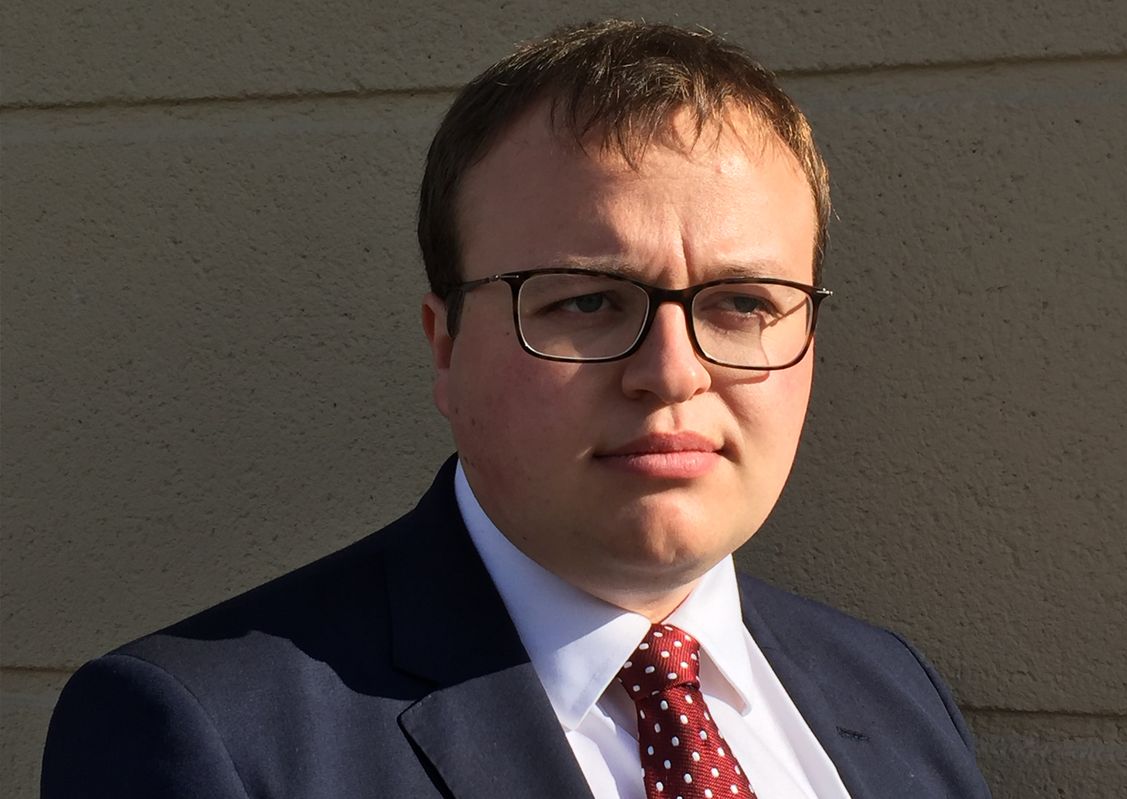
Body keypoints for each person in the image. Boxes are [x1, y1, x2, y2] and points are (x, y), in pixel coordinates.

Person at [42, 20, 991, 799]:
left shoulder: (896, 690)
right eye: (585, 300)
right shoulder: (203, 736)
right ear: (446, 348)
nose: (672, 372)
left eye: (744, 304)